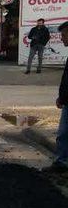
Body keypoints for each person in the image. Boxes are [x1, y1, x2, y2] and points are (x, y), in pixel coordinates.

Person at [43, 21, 68, 173]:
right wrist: (62, 97)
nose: (62, 38)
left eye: (64, 35)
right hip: (67, 102)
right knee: (63, 134)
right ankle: (61, 163)